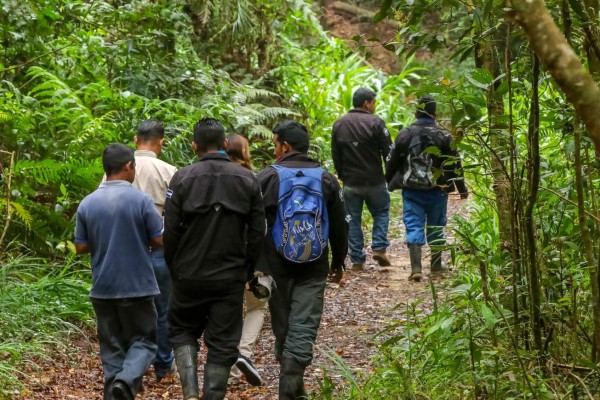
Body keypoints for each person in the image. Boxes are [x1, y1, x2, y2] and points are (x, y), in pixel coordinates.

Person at [163, 118, 266, 400]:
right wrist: (246, 269)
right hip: (229, 276)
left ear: (194, 145)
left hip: (188, 274)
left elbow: (169, 231)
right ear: (224, 144)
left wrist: (175, 267)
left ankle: (190, 394)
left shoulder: (182, 178)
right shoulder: (247, 179)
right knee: (223, 342)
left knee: (182, 330)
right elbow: (258, 231)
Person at [257, 120, 348, 399]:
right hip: (314, 266)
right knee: (303, 327)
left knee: (284, 330)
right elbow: (340, 224)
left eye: (275, 144)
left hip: (276, 269)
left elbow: (253, 225)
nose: (274, 150)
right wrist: (338, 261)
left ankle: (289, 390)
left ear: (285, 146)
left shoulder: (267, 177)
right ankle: (293, 390)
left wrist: (254, 266)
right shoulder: (326, 179)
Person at [74, 143, 163, 400]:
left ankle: (118, 389)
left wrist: (103, 239)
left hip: (103, 288)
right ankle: (125, 380)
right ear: (128, 166)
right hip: (138, 286)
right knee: (145, 341)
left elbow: (80, 246)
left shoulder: (87, 203)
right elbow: (158, 240)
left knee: (112, 349)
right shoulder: (141, 200)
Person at [385, 96, 468, 282]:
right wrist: (461, 187)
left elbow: (392, 160)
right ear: (435, 114)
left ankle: (416, 269)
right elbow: (455, 163)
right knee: (436, 226)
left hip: (412, 190)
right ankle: (436, 266)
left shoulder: (405, 134)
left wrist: (388, 181)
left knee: (413, 225)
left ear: (415, 113)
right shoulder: (444, 135)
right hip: (438, 190)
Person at [132, 119, 177, 382]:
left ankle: (134, 366)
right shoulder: (169, 170)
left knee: (134, 308)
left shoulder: (118, 169)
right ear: (161, 142)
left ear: (136, 140)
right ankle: (163, 366)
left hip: (128, 249)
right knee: (163, 309)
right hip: (160, 248)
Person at [224, 133, 271, 387]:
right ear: (243, 151)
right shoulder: (253, 179)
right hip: (251, 257)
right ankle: (243, 355)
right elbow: (259, 225)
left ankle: (228, 371)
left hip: (220, 258)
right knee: (256, 307)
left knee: (228, 312)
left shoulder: (211, 176)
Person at [331, 87, 393, 270]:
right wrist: (388, 176)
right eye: (373, 102)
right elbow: (388, 152)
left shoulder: (339, 124)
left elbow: (336, 154)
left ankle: (357, 260)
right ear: (366, 103)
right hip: (375, 181)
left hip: (351, 182)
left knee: (352, 219)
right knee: (381, 212)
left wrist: (342, 175)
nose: (374, 106)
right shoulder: (376, 123)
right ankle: (379, 247)